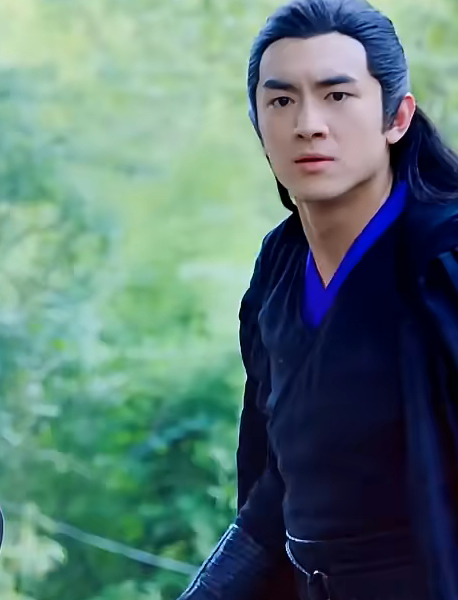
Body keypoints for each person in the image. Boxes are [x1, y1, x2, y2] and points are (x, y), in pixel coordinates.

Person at [176, 0, 458, 599]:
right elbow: (277, 491)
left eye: (337, 95)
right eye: (281, 101)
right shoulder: (280, 267)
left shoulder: (443, 260)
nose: (308, 123)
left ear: (397, 117)